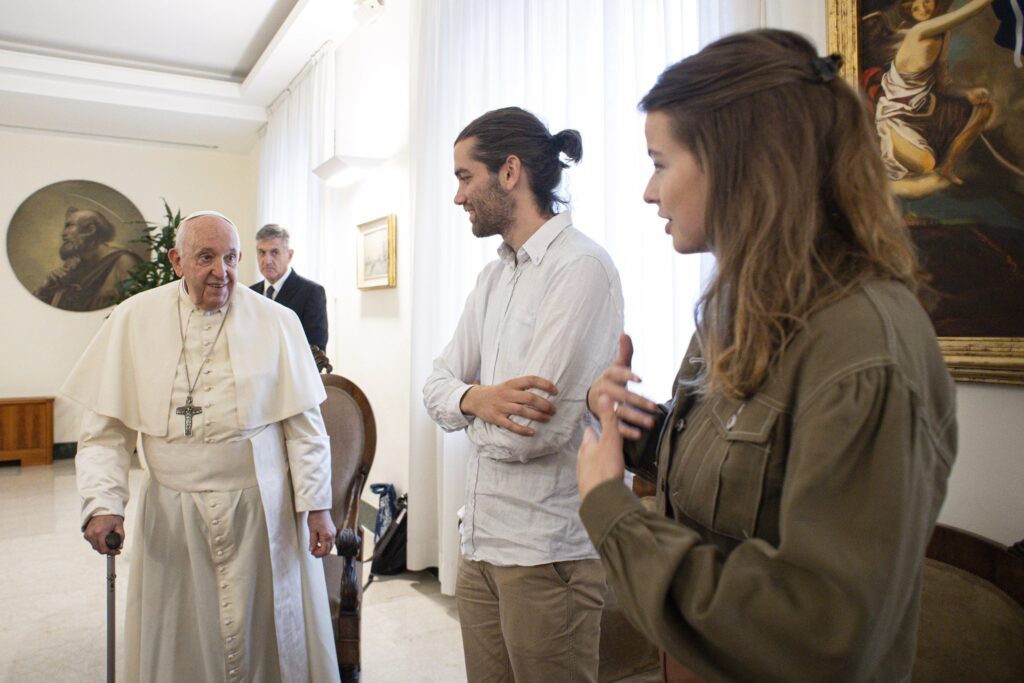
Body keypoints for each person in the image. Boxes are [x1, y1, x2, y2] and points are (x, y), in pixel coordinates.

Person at [576, 30, 957, 683]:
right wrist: (632, 427)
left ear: (737, 162)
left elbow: (814, 636)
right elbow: (741, 472)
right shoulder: (739, 308)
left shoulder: (865, 350)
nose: (647, 191)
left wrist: (611, 509)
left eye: (661, 163)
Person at [64, 211, 340, 683]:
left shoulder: (278, 321)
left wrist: (317, 506)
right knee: (180, 628)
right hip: (172, 513)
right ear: (176, 260)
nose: (223, 271)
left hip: (260, 510)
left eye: (231, 258)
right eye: (206, 257)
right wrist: (103, 502)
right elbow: (105, 432)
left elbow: (305, 427)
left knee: (263, 630)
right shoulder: (135, 318)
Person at [423, 106, 624, 683]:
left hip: (546, 552)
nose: (458, 197)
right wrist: (477, 399)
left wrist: (469, 405)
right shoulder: (493, 277)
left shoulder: (581, 268)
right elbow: (435, 383)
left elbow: (531, 432)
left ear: (510, 172)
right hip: (480, 539)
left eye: (465, 177)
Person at [874, 0, 995, 196]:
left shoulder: (943, 35)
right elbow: (964, 13)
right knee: (926, 164)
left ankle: (947, 166)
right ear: (908, 9)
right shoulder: (919, 32)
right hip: (897, 118)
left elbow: (942, 85)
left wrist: (967, 93)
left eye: (927, 2)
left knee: (983, 108)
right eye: (915, 6)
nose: (922, 8)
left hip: (925, 112)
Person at [34, 207, 144, 311]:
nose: (63, 234)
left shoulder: (124, 263)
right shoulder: (73, 267)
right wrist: (47, 286)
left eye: (69, 226)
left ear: (90, 230)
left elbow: (136, 307)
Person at [251, 223, 329, 350]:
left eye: (274, 252)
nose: (267, 260)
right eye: (261, 252)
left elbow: (315, 350)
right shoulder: (250, 293)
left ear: (289, 255)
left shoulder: (311, 293)